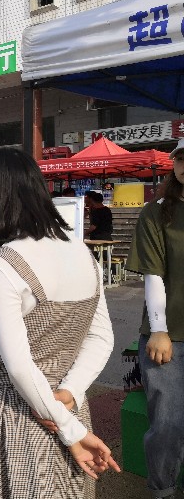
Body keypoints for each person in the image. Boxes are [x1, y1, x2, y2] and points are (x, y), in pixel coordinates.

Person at [0, 147, 119, 499]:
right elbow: (101, 337)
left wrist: (68, 429)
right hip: (68, 404)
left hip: (13, 414)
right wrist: (70, 395)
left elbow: (17, 367)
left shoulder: (4, 262)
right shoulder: (82, 251)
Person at [126, 137, 184, 499]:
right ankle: (162, 490)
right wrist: (159, 329)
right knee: (167, 422)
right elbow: (153, 275)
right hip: (171, 336)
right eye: (180, 158)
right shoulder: (157, 211)